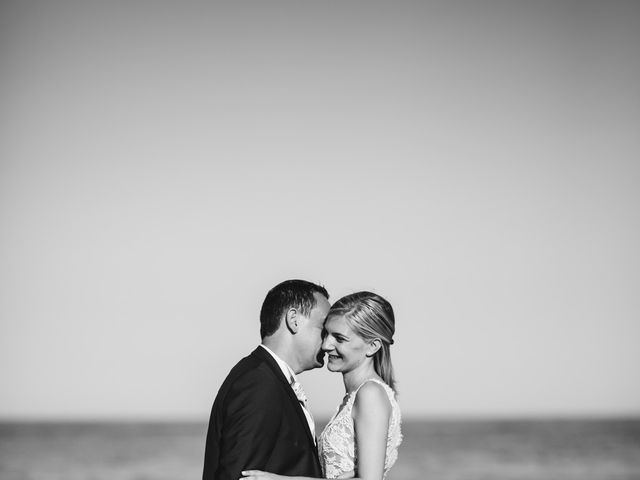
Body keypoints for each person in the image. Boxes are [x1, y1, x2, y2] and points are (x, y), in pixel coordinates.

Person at [241, 291, 402, 480]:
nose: (326, 345)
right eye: (326, 334)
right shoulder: (356, 396)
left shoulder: (370, 394)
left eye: (339, 339)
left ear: (373, 346)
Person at [203, 279, 331, 480]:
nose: (329, 342)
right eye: (323, 329)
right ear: (293, 319)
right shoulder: (258, 384)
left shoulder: (267, 378)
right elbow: (240, 475)